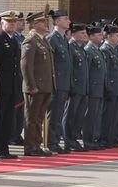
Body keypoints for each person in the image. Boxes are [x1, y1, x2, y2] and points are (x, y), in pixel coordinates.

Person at [20, 10, 55, 157]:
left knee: (39, 118)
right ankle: (30, 147)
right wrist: (30, 85)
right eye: (42, 21)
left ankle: (37, 144)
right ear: (34, 24)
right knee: (32, 118)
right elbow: (26, 65)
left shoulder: (43, 40)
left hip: (45, 86)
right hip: (35, 87)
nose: (46, 24)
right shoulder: (30, 40)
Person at [0, 11, 24, 158]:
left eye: (14, 22)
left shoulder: (13, 40)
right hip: (1, 87)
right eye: (8, 22)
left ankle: (3, 149)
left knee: (8, 119)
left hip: (11, 86)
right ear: (2, 23)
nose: (12, 24)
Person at [46, 10, 73, 153]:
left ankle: (55, 141)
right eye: (65, 19)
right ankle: (51, 142)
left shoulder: (63, 39)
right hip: (56, 84)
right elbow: (50, 64)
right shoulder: (52, 38)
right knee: (54, 114)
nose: (68, 21)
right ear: (56, 22)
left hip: (64, 83)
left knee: (58, 114)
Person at [65, 23, 89, 151]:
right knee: (70, 116)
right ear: (73, 34)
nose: (85, 35)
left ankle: (74, 139)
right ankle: (68, 141)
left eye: (85, 33)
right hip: (75, 88)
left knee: (79, 116)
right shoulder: (71, 47)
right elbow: (70, 69)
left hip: (83, 87)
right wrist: (71, 86)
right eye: (82, 33)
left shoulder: (81, 48)